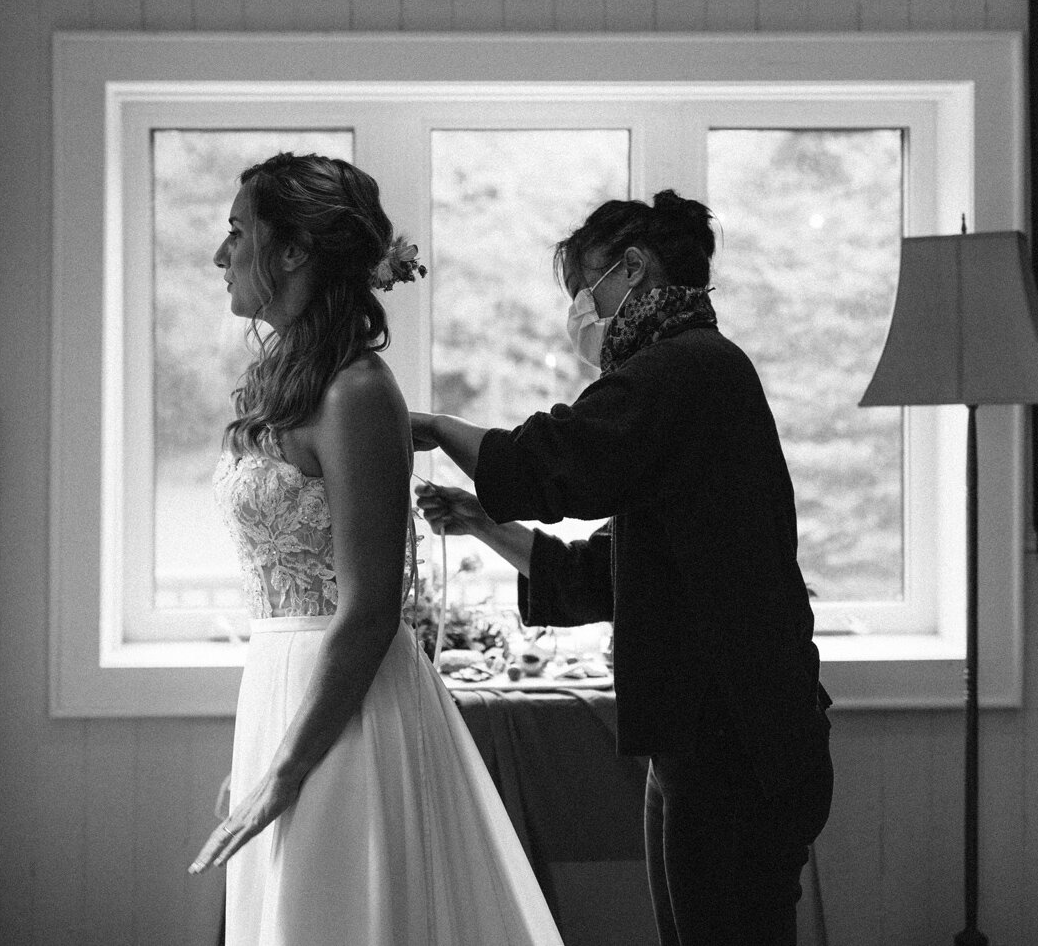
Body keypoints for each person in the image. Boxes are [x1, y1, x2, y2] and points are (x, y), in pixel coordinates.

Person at [414, 189, 834, 946]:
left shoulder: (686, 369)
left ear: (632, 269)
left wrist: (440, 426)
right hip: (698, 742)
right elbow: (600, 571)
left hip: (732, 749)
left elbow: (555, 459)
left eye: (583, 289)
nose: (579, 312)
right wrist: (480, 518)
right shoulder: (690, 375)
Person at [186, 152, 561, 946]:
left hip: (349, 710)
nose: (222, 256)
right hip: (280, 688)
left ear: (292, 251)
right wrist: (264, 746)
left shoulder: (356, 391)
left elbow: (368, 608)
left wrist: (286, 768)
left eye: (237, 232)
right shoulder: (280, 377)